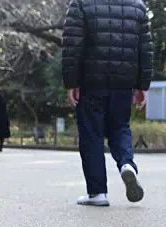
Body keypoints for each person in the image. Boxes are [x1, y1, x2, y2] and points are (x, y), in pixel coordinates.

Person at [62, 0, 151, 206]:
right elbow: (145, 49)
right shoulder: (137, 6)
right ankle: (127, 164)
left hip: (91, 81)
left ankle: (97, 193)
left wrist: (72, 82)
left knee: (91, 135)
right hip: (124, 82)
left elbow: (72, 45)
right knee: (120, 127)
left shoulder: (82, 4)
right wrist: (141, 85)